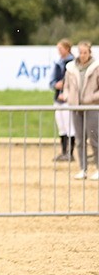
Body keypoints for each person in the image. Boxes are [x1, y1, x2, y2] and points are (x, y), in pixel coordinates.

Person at [62, 41, 99, 181]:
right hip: (76, 107)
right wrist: (67, 96)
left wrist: (92, 97)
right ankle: (83, 168)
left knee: (94, 139)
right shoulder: (71, 67)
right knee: (79, 139)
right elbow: (66, 85)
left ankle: (98, 167)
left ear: (90, 53)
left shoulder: (96, 67)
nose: (82, 55)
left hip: (92, 107)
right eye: (80, 52)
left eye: (85, 52)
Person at [50, 39, 76, 162]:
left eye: (61, 48)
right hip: (58, 98)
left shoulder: (73, 63)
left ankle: (70, 152)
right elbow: (52, 80)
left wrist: (65, 87)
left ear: (67, 48)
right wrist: (55, 85)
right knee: (61, 126)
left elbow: (74, 81)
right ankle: (64, 151)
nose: (59, 51)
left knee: (69, 125)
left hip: (68, 99)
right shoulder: (58, 63)